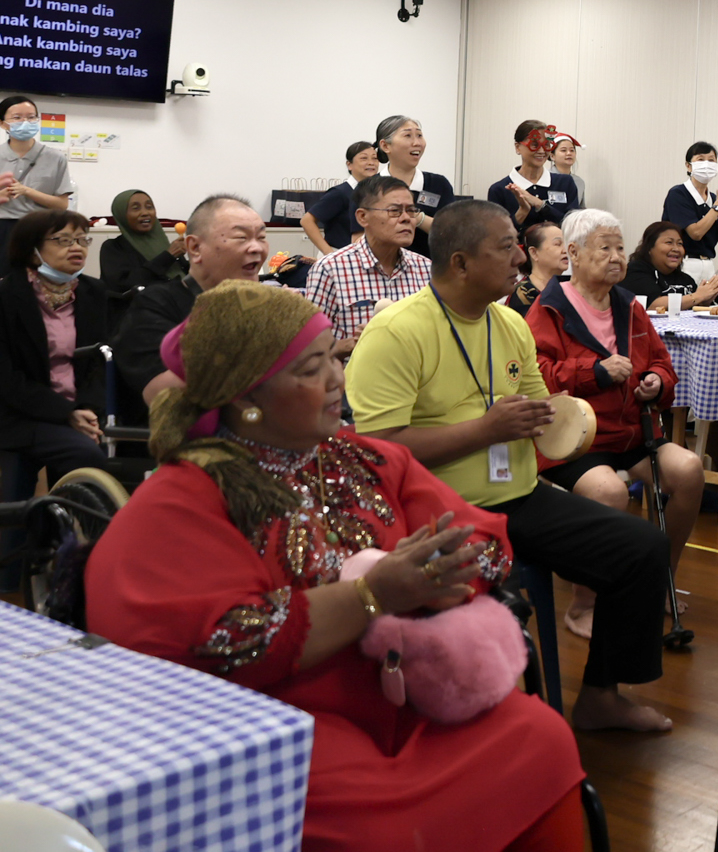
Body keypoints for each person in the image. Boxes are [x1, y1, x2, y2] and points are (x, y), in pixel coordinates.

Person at [86, 281, 587, 852]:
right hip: (282, 721)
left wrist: (445, 576)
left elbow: (482, 539)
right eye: (311, 369)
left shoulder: (365, 459)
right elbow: (217, 642)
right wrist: (371, 596)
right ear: (245, 397)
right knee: (381, 832)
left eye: (333, 357)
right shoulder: (184, 499)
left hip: (413, 692)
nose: (336, 380)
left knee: (541, 737)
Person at [347, 200, 673, 731]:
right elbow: (377, 449)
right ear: (460, 263)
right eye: (505, 248)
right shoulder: (397, 331)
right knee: (495, 596)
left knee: (642, 549)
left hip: (520, 495)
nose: (521, 258)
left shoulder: (509, 323)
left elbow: (543, 411)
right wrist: (485, 430)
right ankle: (483, 716)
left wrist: (582, 417)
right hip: (436, 512)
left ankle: (601, 696)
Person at [525, 209, 703, 639]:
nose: (616, 256)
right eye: (604, 247)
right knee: (609, 491)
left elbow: (662, 363)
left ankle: (661, 579)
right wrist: (595, 372)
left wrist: (656, 382)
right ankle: (584, 603)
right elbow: (535, 375)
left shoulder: (629, 306)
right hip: (574, 440)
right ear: (573, 253)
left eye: (620, 247)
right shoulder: (547, 308)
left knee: (689, 470)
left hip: (633, 432)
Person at [0, 209, 141, 490]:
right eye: (63, 240)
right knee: (85, 454)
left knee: (110, 451)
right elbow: (6, 379)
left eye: (82, 239)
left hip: (78, 411)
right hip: (19, 414)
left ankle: (75, 517)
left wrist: (86, 409)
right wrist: (67, 412)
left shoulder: (93, 292)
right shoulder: (6, 296)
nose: (76, 247)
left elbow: (99, 360)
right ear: (32, 251)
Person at [113, 194, 270, 410]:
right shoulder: (155, 305)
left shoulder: (264, 305)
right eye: (241, 238)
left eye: (261, 237)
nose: (257, 248)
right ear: (195, 248)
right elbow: (164, 396)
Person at [302, 175, 433, 356]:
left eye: (411, 211)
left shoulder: (426, 270)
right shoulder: (331, 269)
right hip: (352, 373)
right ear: (363, 217)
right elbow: (308, 347)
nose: (406, 219)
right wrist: (352, 345)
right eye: (394, 211)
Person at [97, 188, 188, 332]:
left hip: (179, 317)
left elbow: (186, 277)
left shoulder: (163, 244)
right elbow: (125, 285)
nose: (145, 212)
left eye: (149, 207)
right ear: (122, 215)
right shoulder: (114, 247)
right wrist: (167, 256)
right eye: (136, 208)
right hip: (137, 325)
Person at [0, 96, 75, 257]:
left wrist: (27, 191)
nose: (25, 122)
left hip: (42, 228)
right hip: (3, 228)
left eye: (31, 117)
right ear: (2, 123)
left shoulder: (55, 158)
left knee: (40, 272)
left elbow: (62, 205)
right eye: (17, 117)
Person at [374, 114, 455, 259]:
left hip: (430, 267)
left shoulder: (438, 184)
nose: (417, 143)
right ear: (385, 146)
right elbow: (358, 238)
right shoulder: (370, 187)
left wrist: (417, 217)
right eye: (408, 136)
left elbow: (451, 232)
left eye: (419, 135)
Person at [662, 141, 718, 285]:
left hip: (708, 264)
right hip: (684, 263)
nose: (706, 164)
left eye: (711, 160)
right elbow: (696, 233)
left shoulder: (715, 199)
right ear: (688, 166)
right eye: (700, 159)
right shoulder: (678, 194)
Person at [487, 120, 580, 234]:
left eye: (546, 145)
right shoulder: (500, 190)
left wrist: (541, 205)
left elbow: (574, 227)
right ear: (518, 147)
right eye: (534, 145)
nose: (541, 151)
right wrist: (522, 212)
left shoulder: (565, 183)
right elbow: (497, 235)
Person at [624, 221, 718, 313]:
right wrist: (697, 296)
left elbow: (693, 307)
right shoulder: (636, 270)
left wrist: (704, 301)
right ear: (649, 248)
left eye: (680, 244)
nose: (676, 249)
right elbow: (653, 305)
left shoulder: (685, 279)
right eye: (669, 242)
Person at [301, 141, 381, 257]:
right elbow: (307, 221)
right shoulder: (340, 192)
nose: (371, 163)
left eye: (375, 158)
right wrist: (329, 252)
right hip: (338, 256)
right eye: (364, 158)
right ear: (349, 165)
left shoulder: (375, 193)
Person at [508, 221, 566, 317]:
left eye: (566, 243)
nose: (566, 250)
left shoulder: (571, 286)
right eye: (557, 244)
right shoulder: (524, 292)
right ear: (534, 252)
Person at [550, 131, 585, 208]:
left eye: (572, 150)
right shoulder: (545, 178)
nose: (569, 153)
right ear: (552, 156)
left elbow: (581, 210)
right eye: (563, 150)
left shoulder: (579, 182)